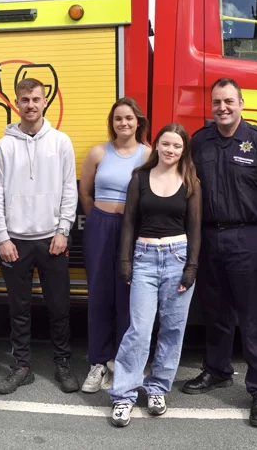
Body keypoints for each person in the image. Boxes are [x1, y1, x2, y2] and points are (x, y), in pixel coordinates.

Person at [182, 78, 257, 427]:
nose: (222, 108)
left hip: (249, 236)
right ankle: (217, 370)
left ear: (242, 102)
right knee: (215, 310)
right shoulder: (200, 141)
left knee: (254, 315)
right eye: (216, 103)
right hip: (210, 237)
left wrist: (256, 211)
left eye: (229, 101)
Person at [0, 77, 80, 395]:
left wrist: (63, 230)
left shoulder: (61, 142)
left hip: (52, 240)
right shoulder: (5, 145)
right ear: (16, 103)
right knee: (19, 307)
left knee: (59, 306)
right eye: (25, 100)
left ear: (45, 102)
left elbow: (70, 189)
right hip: (15, 241)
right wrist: (1, 237)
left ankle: (63, 363)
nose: (30, 105)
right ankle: (22, 367)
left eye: (36, 99)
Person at [109, 123, 201, 428]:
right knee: (139, 329)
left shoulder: (190, 182)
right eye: (165, 144)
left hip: (178, 257)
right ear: (156, 146)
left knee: (173, 330)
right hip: (144, 258)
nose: (170, 150)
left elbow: (195, 229)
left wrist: (191, 268)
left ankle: (158, 388)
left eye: (176, 146)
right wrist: (125, 261)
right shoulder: (140, 178)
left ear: (183, 149)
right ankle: (123, 395)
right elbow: (128, 223)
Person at [78, 97, 151, 393]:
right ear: (112, 122)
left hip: (132, 230)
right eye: (118, 118)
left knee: (129, 296)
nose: (124, 123)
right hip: (100, 226)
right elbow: (85, 192)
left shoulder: (149, 155)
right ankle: (97, 362)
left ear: (138, 122)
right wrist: (97, 220)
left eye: (129, 118)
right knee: (99, 294)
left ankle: (123, 363)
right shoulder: (98, 153)